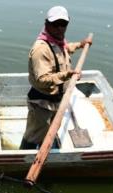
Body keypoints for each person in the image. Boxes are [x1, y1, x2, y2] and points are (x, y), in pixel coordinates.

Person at [20, 6, 92, 149]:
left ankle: (45, 148)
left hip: (57, 99)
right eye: (55, 24)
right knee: (33, 135)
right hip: (41, 102)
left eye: (63, 24)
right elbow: (42, 80)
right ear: (47, 24)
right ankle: (22, 158)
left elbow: (64, 51)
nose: (59, 28)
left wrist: (80, 45)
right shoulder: (41, 49)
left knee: (49, 131)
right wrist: (68, 75)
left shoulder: (58, 41)